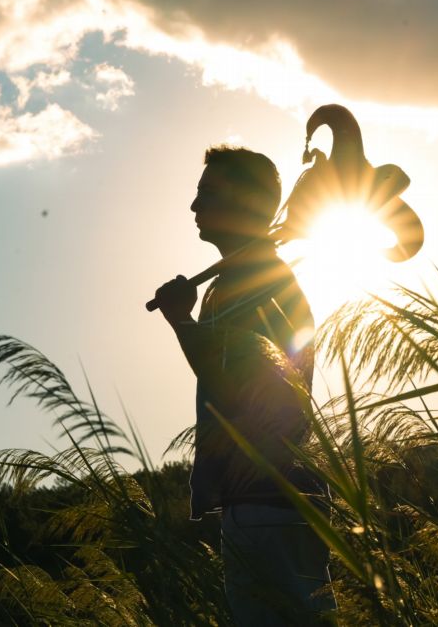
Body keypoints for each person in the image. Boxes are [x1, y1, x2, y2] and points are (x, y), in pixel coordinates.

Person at [153, 146, 335, 625]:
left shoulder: (250, 281)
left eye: (207, 193)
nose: (194, 206)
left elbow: (240, 376)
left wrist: (180, 321)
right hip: (269, 500)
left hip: (267, 501)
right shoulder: (246, 278)